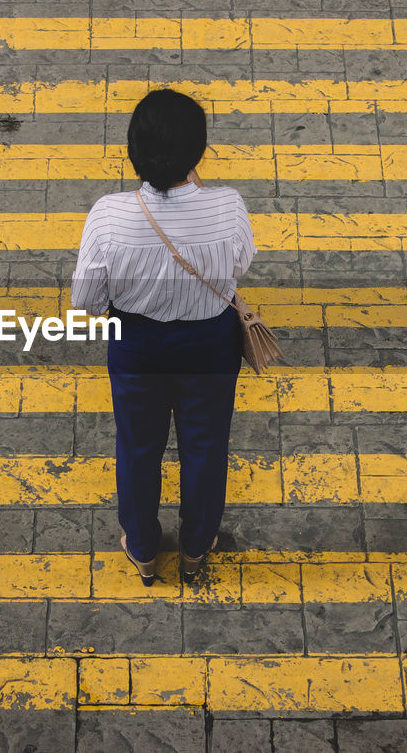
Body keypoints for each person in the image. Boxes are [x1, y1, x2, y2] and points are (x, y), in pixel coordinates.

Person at [71, 89, 256, 585]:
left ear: (134, 151)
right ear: (197, 155)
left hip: (137, 345)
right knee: (206, 446)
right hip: (211, 343)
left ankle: (144, 549)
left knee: (137, 446)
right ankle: (197, 546)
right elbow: (239, 265)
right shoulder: (228, 208)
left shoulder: (108, 216)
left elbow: (86, 301)